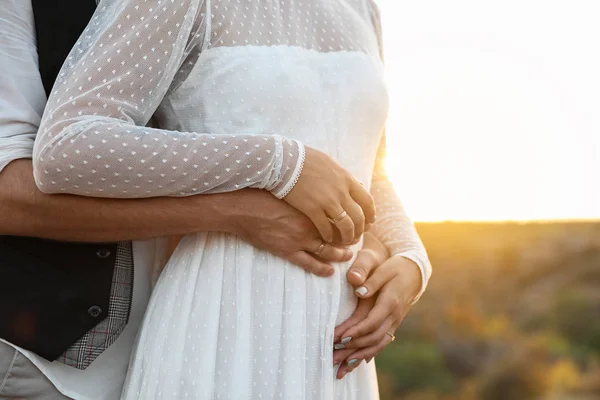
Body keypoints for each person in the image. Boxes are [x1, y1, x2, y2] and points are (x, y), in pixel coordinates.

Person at [0, 1, 429, 399]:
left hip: (337, 344)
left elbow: (370, 167)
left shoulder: (363, 8)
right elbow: (66, 149)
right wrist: (276, 161)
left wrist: (410, 254)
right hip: (224, 317)